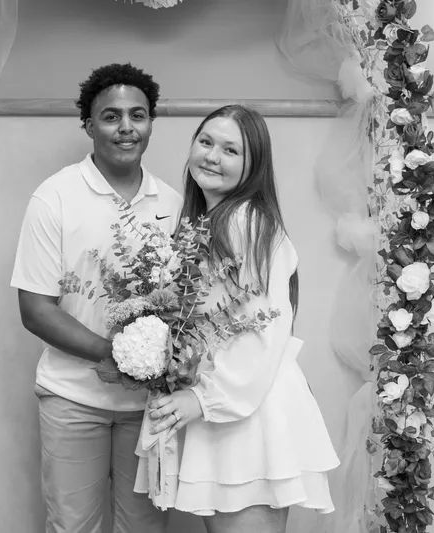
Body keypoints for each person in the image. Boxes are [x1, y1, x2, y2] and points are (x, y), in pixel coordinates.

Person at [142, 105, 340, 532]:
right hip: (228, 405)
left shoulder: (245, 222)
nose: (212, 156)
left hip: (247, 408)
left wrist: (203, 399)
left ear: (254, 164)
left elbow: (262, 328)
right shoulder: (209, 221)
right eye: (206, 142)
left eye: (231, 150)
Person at [10, 63, 182, 533]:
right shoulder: (54, 197)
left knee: (145, 528)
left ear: (151, 123)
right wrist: (119, 355)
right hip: (72, 398)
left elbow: (186, 305)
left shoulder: (173, 203)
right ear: (88, 125)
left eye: (138, 115)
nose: (126, 127)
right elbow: (35, 310)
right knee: (73, 527)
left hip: (150, 406)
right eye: (111, 116)